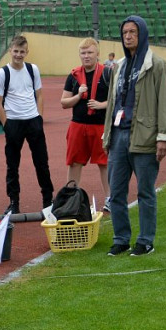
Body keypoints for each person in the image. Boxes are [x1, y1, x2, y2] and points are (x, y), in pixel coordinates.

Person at [103, 15, 166, 257]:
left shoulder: (157, 65)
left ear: (142, 34)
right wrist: (107, 136)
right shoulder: (119, 67)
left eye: (133, 32)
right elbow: (113, 103)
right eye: (125, 33)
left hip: (144, 136)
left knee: (145, 191)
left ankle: (145, 240)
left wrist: (164, 136)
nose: (128, 36)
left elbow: (165, 102)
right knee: (116, 193)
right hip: (118, 136)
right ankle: (121, 238)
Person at [0, 35, 54, 214]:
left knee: (42, 163)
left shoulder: (33, 69)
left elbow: (39, 94)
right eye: (16, 51)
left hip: (33, 121)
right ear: (10, 51)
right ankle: (14, 201)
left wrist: (39, 118)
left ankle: (48, 199)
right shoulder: (3, 73)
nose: (18, 55)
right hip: (14, 123)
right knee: (12, 165)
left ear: (27, 52)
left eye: (22, 52)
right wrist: (6, 125)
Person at [60, 38, 111, 209]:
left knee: (104, 163)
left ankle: (111, 199)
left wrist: (101, 105)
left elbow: (118, 99)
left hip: (101, 126)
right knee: (74, 162)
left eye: (90, 52)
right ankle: (71, 198)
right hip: (78, 125)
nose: (86, 56)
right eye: (83, 53)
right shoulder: (74, 76)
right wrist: (78, 96)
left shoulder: (107, 73)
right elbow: (64, 102)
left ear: (98, 53)